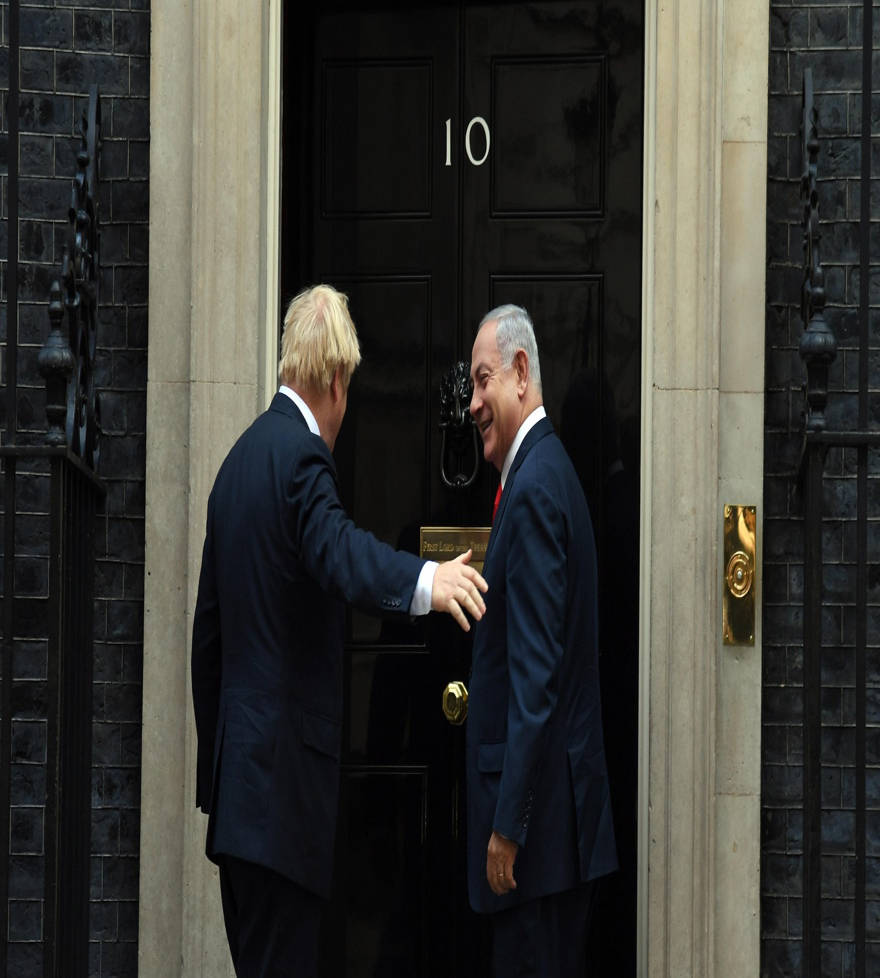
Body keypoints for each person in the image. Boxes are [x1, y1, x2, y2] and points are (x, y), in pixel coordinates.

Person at [191, 284, 488, 978]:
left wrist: (221, 775)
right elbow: (340, 550)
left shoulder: (235, 466)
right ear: (335, 379)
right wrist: (428, 581)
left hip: (241, 806)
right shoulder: (301, 459)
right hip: (282, 802)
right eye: (348, 390)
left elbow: (211, 638)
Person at [466, 304, 617, 977]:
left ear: (521, 372)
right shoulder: (550, 473)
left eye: (481, 380)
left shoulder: (532, 491)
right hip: (561, 835)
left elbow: (535, 680)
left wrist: (508, 826)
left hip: (541, 844)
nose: (472, 403)